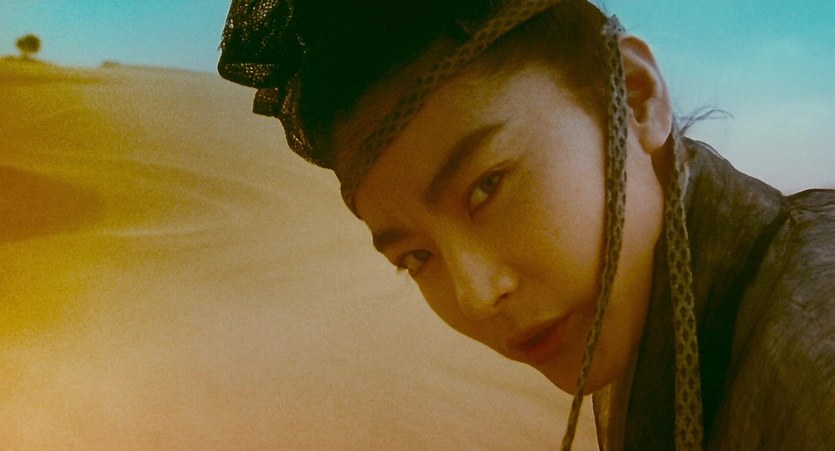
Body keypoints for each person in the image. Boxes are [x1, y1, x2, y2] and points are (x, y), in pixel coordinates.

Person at [217, 1, 835, 449]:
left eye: (487, 187)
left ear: (634, 94)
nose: (475, 296)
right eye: (415, 257)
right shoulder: (650, 311)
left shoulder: (814, 360)